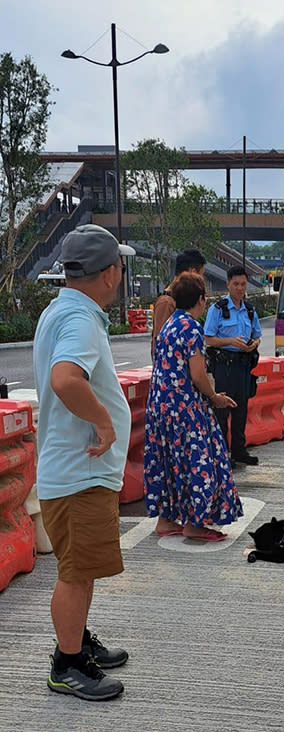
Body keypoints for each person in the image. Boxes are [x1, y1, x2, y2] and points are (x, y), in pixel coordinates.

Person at [33, 223, 136, 701]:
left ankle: (75, 642)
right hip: (80, 470)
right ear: (111, 273)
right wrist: (108, 423)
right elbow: (66, 380)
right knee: (75, 572)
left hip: (74, 469)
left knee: (83, 567)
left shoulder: (61, 310)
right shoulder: (79, 322)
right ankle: (67, 663)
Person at [144, 271, 243, 541]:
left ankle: (166, 520)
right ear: (201, 299)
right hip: (184, 405)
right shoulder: (191, 327)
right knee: (199, 460)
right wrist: (214, 397)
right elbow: (197, 374)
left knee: (168, 460)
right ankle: (195, 523)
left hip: (159, 405)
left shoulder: (169, 324)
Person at [204, 265, 262, 468]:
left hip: (244, 366)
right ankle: (222, 453)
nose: (239, 288)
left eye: (243, 284)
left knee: (241, 409)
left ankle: (239, 450)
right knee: (222, 411)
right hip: (224, 366)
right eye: (236, 284)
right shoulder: (218, 309)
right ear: (228, 284)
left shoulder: (250, 309)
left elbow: (257, 335)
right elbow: (208, 339)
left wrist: (253, 344)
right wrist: (230, 341)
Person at [151, 248, 206, 357]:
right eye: (201, 274)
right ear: (193, 272)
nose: (202, 279)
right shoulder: (166, 302)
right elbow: (160, 343)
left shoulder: (179, 298)